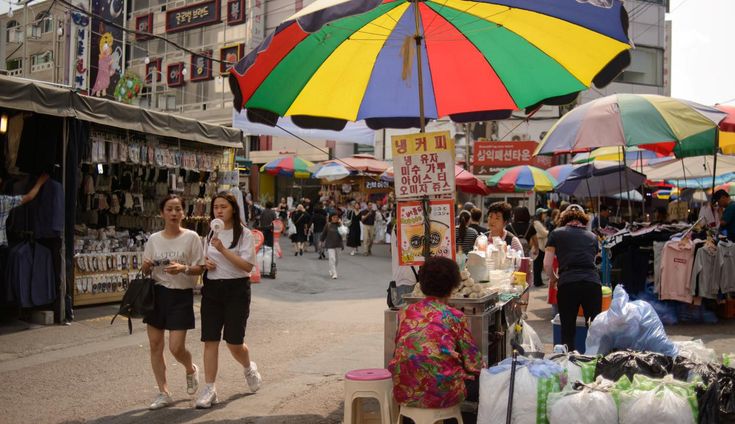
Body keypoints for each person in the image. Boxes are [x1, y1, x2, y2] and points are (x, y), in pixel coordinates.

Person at [196, 192, 262, 409]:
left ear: (233, 208)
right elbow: (206, 258)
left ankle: (248, 367)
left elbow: (247, 266)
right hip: (213, 289)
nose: (219, 211)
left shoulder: (243, 234)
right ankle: (209, 388)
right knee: (210, 339)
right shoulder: (210, 233)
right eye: (216, 207)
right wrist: (206, 262)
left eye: (223, 206)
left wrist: (222, 250)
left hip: (236, 290)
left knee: (234, 342)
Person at [389, 256, 482, 409]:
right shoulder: (454, 316)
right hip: (443, 394)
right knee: (484, 383)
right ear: (453, 286)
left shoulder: (405, 312)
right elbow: (474, 364)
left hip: (404, 391)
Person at [141, 195, 205, 410]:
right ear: (162, 213)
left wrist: (183, 268)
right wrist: (147, 266)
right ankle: (163, 392)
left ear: (183, 213)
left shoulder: (192, 237)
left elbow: (200, 267)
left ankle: (190, 368)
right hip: (157, 294)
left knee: (176, 347)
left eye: (178, 209)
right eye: (170, 209)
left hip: (181, 295)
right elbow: (144, 268)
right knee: (155, 345)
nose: (174, 213)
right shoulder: (154, 239)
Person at [543, 204, 601, 351]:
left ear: (564, 220)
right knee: (594, 329)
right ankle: (595, 363)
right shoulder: (593, 237)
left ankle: (568, 365)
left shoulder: (556, 233)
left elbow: (547, 264)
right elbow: (595, 259)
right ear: (583, 220)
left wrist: (554, 278)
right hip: (592, 284)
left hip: (568, 283)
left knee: (567, 330)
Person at [320, 213, 343, 279]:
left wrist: (341, 224)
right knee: (332, 258)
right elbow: (324, 234)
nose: (335, 218)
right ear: (331, 218)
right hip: (330, 244)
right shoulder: (328, 225)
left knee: (336, 260)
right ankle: (334, 273)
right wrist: (321, 241)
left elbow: (344, 233)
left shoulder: (340, 225)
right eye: (334, 217)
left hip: (338, 244)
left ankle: (332, 269)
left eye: (337, 217)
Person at [533, 208, 550, 287]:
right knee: (538, 265)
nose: (545, 215)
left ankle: (539, 281)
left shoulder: (540, 223)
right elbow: (544, 233)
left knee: (539, 265)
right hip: (539, 246)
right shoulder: (537, 223)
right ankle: (537, 282)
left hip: (542, 245)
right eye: (543, 213)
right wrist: (547, 232)